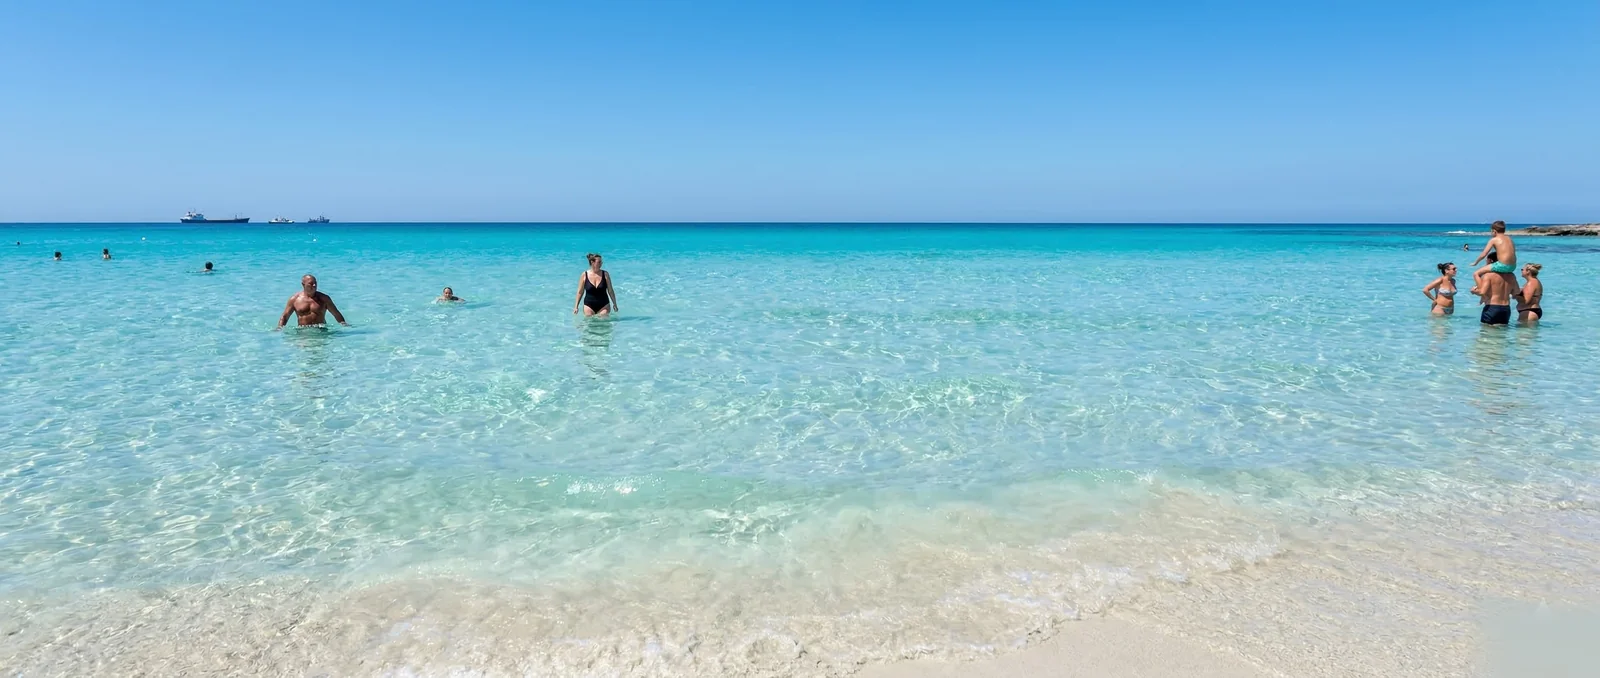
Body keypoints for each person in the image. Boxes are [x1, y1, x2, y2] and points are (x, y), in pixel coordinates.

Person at [276, 274, 349, 329]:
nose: (314, 285)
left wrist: (344, 325)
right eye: (311, 284)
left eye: (315, 283)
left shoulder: (324, 298)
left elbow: (336, 313)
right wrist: (279, 329)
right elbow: (285, 316)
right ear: (303, 285)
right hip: (303, 331)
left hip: (321, 330)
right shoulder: (294, 299)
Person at [1470, 221, 1516, 295]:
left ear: (1494, 231)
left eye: (1491, 232)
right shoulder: (1509, 239)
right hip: (1513, 266)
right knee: (1487, 269)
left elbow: (1484, 254)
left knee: (1476, 274)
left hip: (1502, 265)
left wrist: (1475, 263)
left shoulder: (1494, 240)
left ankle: (1482, 292)